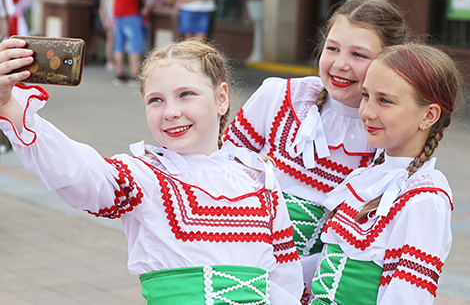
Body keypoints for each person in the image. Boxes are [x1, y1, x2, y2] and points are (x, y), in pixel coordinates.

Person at [0, 38, 304, 304]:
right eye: (156, 100)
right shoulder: (144, 176)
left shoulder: (258, 177)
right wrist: (10, 106)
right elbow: (77, 172)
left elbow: (284, 272)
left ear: (221, 98)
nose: (171, 112)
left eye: (186, 94)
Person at [223, 0, 409, 300]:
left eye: (359, 54)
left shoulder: (389, 135)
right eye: (332, 48)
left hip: (319, 288)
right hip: (240, 268)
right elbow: (220, 170)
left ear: (389, 61)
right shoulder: (279, 96)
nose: (340, 64)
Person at [310, 42, 462, 304]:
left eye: (385, 101)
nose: (367, 112)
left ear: (428, 115)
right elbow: (327, 268)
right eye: (366, 96)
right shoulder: (368, 178)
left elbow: (407, 296)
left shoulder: (424, 199)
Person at [109, 0, 147, 85]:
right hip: (130, 10)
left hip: (118, 9)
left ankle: (119, 72)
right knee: (135, 42)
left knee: (119, 43)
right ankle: (134, 74)